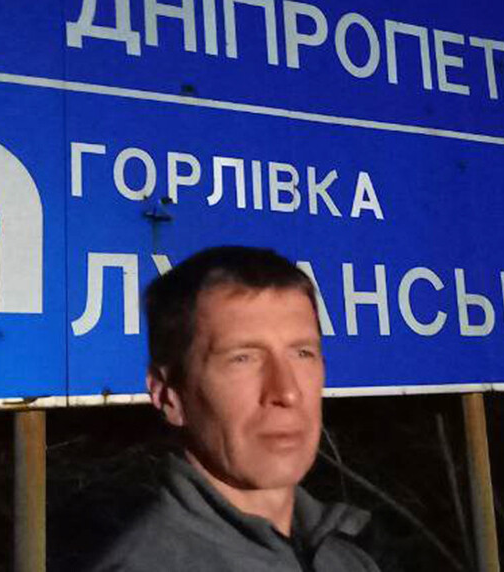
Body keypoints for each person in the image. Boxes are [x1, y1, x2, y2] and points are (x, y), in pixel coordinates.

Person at [90, 245, 382, 572]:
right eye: (242, 358)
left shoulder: (349, 559)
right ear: (169, 396)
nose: (286, 392)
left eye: (302, 353)